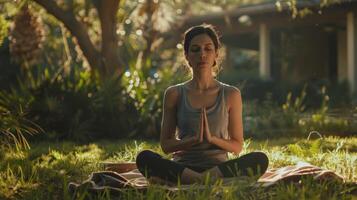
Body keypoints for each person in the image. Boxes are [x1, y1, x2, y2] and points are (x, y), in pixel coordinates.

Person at [136, 24, 269, 184]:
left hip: (219, 168)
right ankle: (203, 180)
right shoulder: (174, 93)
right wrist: (192, 141)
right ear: (186, 55)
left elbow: (236, 146)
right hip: (183, 168)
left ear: (216, 54)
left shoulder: (231, 94)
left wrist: (212, 139)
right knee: (144, 157)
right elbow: (166, 144)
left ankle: (194, 181)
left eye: (208, 49)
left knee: (259, 159)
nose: (202, 54)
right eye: (195, 49)